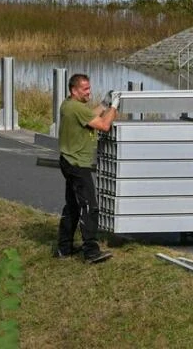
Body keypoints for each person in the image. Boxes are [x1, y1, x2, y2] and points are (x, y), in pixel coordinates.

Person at [55, 73, 119, 263]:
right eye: (85, 89)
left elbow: (91, 115)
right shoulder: (76, 108)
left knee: (73, 206)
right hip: (78, 165)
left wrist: (105, 104)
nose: (89, 92)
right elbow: (104, 125)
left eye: (89, 88)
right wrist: (114, 107)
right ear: (74, 90)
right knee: (89, 206)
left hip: (68, 160)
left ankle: (63, 248)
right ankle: (91, 251)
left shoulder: (69, 105)